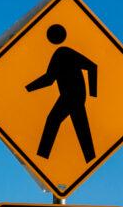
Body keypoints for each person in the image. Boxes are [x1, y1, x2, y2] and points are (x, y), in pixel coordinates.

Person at [26, 24, 97, 162]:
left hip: (72, 96)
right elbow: (49, 79)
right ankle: (90, 158)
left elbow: (92, 67)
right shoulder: (59, 54)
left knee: (53, 120)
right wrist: (28, 88)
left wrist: (93, 95)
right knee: (81, 128)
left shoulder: (63, 53)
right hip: (72, 96)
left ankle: (42, 157)